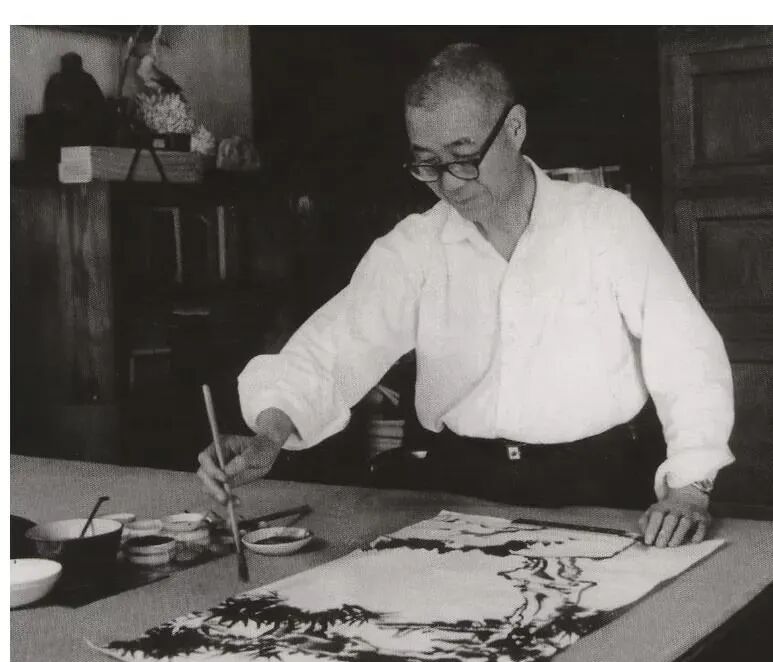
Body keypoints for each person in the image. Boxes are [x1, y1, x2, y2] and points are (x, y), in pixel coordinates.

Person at [198, 42, 734, 548]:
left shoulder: (605, 223)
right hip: (459, 488)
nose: (450, 183)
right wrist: (269, 435)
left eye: (463, 156)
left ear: (515, 128)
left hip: (599, 484)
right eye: (427, 163)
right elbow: (335, 346)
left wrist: (689, 486)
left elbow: (686, 354)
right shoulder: (417, 246)